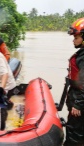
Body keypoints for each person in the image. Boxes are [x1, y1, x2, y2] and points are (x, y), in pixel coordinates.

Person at [64, 17, 84, 146]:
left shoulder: (82, 58)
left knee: (74, 134)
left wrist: (78, 103)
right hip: (76, 97)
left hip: (79, 101)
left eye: (76, 37)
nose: (73, 40)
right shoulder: (81, 55)